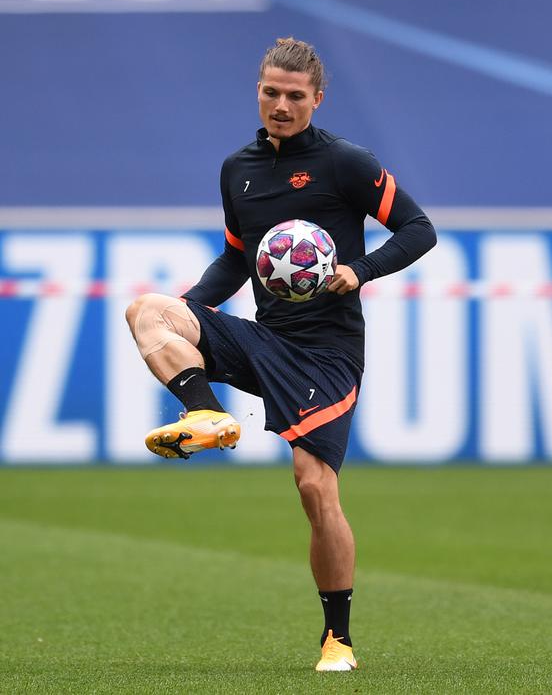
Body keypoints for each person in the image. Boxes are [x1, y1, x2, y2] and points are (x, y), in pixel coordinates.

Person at [124, 37, 436, 671]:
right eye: (272, 92)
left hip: (327, 355)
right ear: (258, 92)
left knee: (314, 488)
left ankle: (337, 638)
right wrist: (193, 315)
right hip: (267, 337)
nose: (282, 105)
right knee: (148, 310)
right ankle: (204, 415)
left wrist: (360, 270)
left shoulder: (347, 163)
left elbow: (418, 228)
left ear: (317, 99)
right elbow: (240, 257)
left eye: (296, 95)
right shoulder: (237, 169)